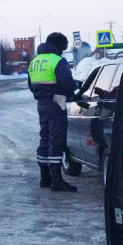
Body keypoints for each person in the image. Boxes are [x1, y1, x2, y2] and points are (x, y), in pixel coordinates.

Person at [27, 32, 81, 192]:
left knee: (45, 139)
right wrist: (75, 86)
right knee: (56, 140)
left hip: (41, 104)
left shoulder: (34, 61)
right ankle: (57, 181)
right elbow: (66, 83)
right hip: (57, 102)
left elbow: (31, 85)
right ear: (59, 45)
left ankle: (45, 178)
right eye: (64, 45)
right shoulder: (58, 60)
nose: (65, 49)